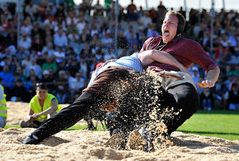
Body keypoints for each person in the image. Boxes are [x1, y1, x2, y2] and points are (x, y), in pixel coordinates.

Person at [22, 49, 186, 144]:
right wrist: (179, 66)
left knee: (77, 110)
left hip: (112, 80)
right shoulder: (133, 57)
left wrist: (104, 103)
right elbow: (154, 52)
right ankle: (142, 135)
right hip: (129, 76)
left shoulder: (99, 71)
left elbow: (87, 93)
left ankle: (36, 135)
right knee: (153, 96)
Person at [138, 10, 220, 136]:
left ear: (179, 28)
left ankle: (158, 132)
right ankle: (130, 131)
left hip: (174, 78)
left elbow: (212, 66)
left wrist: (210, 80)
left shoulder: (188, 45)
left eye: (170, 23)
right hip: (149, 77)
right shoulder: (150, 42)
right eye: (164, 22)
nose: (165, 25)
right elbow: (138, 62)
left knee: (189, 98)